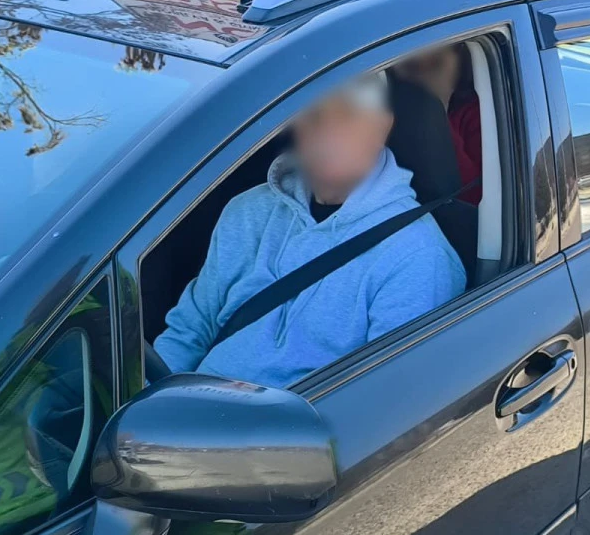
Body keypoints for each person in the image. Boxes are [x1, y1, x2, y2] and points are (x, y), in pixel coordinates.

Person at [155, 73, 466, 388]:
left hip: (287, 433)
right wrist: (142, 405)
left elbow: (381, 402)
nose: (327, 132)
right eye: (315, 114)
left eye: (347, 115)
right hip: (186, 413)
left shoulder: (419, 257)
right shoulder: (248, 210)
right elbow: (188, 331)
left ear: (381, 125)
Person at [393, 45, 483, 205]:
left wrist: (435, 109)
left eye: (435, 64)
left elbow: (472, 198)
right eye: (411, 67)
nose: (421, 77)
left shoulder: (480, 115)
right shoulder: (386, 114)